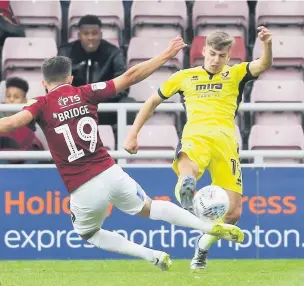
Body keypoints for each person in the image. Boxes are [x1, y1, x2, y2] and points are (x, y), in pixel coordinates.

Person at [0, 37, 244, 271]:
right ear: (71, 78)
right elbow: (130, 76)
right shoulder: (85, 92)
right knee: (152, 207)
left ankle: (152, 256)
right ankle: (207, 226)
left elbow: (11, 123)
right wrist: (166, 55)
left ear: (44, 83)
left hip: (82, 186)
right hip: (110, 172)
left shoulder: (40, 104)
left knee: (89, 234)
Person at [124, 27, 272, 270]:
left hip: (226, 142)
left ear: (229, 56)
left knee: (233, 214)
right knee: (188, 164)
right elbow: (152, 102)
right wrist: (132, 134)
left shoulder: (236, 73)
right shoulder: (184, 76)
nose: (216, 60)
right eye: (212, 53)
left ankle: (202, 248)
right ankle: (186, 185)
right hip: (197, 135)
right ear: (203, 51)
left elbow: (263, 65)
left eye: (222, 55)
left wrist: (267, 44)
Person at [58, 14, 135, 127]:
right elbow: (55, 82)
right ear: (79, 35)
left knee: (129, 103)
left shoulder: (114, 53)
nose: (90, 38)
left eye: (94, 33)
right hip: (74, 107)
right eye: (86, 34)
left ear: (100, 35)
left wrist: (99, 97)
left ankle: (120, 141)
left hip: (105, 105)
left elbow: (123, 84)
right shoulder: (65, 53)